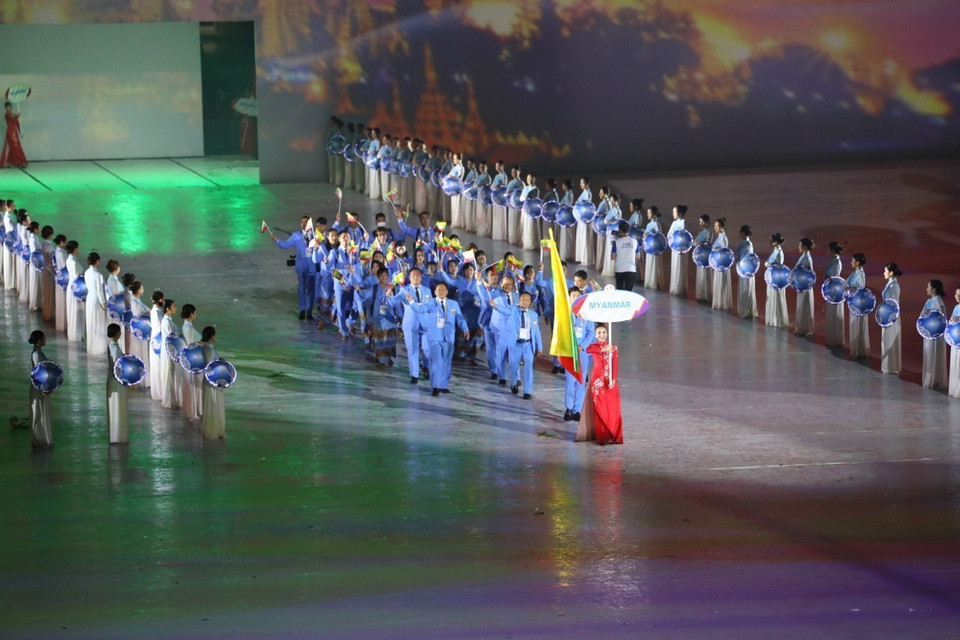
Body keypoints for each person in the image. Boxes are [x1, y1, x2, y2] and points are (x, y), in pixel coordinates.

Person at [411, 281, 470, 395]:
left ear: (447, 292)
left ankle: (443, 385)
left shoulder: (454, 304)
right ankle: (435, 386)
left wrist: (465, 329)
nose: (441, 292)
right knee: (437, 361)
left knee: (446, 362)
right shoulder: (430, 303)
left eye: (443, 290)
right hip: (434, 338)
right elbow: (419, 309)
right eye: (439, 290)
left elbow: (460, 318)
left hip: (449, 337)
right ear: (435, 292)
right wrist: (411, 301)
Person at [491, 290, 543, 399]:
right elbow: (504, 311)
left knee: (529, 367)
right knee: (513, 366)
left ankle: (527, 391)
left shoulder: (534, 315)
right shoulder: (513, 310)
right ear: (519, 301)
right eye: (523, 299)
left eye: (527, 300)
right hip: (516, 344)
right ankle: (514, 383)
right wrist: (495, 306)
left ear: (530, 302)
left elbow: (536, 331)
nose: (525, 301)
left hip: (528, 344)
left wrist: (540, 346)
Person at [583, 324, 622, 445]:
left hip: (610, 381)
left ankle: (613, 434)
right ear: (595, 335)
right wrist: (602, 349)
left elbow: (615, 364)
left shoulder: (613, 348)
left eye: (604, 332)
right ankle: (602, 435)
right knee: (600, 407)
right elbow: (588, 350)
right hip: (597, 381)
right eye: (599, 333)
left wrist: (614, 379)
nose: (602, 335)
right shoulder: (593, 347)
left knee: (612, 408)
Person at [271, 217, 315, 320]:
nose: (304, 224)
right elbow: (285, 245)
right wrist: (277, 240)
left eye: (306, 222)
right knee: (302, 287)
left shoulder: (315, 235)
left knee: (311, 289)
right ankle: (302, 309)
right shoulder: (296, 235)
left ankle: (309, 311)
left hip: (312, 265)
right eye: (302, 222)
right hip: (301, 265)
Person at [565, 287, 595, 423]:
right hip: (569, 353)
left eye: (578, 295)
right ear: (569, 298)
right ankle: (569, 408)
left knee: (581, 381)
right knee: (570, 381)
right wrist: (570, 347)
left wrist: (581, 346)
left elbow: (590, 333)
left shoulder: (586, 315)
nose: (576, 298)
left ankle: (577, 410)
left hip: (582, 353)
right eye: (573, 296)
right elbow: (561, 333)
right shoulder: (566, 314)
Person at [28, 330, 53, 448]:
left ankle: (42, 439)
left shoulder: (38, 352)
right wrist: (44, 388)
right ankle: (40, 440)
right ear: (39, 341)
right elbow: (40, 371)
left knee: (41, 411)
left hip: (40, 386)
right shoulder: (36, 354)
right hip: (38, 386)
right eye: (44, 338)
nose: (45, 340)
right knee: (38, 412)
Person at [200, 326, 226, 439]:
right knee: (214, 405)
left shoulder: (206, 348)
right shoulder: (209, 349)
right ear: (212, 336)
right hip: (212, 383)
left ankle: (213, 430)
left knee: (211, 405)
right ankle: (214, 431)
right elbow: (210, 366)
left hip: (209, 382)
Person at [921, 279, 947, 389]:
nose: (927, 289)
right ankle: (930, 378)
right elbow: (922, 315)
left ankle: (934, 379)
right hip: (928, 334)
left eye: (928, 287)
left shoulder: (938, 303)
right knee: (929, 354)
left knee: (934, 354)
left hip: (935, 335)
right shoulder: (929, 301)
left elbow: (941, 320)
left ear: (934, 289)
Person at [106, 323, 129, 444]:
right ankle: (118, 437)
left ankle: (117, 436)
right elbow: (117, 366)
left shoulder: (111, 346)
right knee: (118, 407)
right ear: (117, 333)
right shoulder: (114, 348)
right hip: (117, 381)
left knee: (116, 408)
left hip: (113, 381)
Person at [180, 304, 203, 419]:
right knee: (194, 385)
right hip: (193, 359)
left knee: (194, 386)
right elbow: (190, 345)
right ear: (191, 314)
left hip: (194, 358)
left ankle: (195, 409)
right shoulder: (188, 327)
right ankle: (193, 411)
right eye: (195, 313)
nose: (196, 315)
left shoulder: (188, 326)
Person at [845, 253, 870, 359]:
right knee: (854, 325)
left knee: (857, 325)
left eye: (853, 260)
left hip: (858, 304)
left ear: (858, 263)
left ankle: (859, 350)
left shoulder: (859, 275)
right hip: (853, 302)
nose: (851, 262)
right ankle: (855, 349)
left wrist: (849, 287)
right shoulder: (855, 273)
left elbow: (856, 288)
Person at [879, 263, 902, 375]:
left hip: (891, 317)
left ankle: (891, 366)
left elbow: (894, 304)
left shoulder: (894, 286)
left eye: (885, 271)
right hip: (887, 316)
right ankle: (887, 365)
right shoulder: (890, 283)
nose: (884, 273)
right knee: (886, 340)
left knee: (890, 339)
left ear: (891, 273)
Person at [128, 281, 151, 390]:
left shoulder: (137, 300)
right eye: (142, 288)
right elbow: (138, 315)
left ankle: (140, 378)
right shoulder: (135, 302)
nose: (143, 290)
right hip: (139, 331)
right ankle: (139, 379)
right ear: (138, 291)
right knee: (140, 353)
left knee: (141, 352)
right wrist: (147, 314)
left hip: (140, 330)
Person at [160, 299, 182, 409]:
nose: (175, 308)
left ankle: (172, 399)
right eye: (173, 306)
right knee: (169, 374)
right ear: (167, 309)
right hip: (169, 351)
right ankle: (168, 400)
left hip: (170, 350)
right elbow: (171, 338)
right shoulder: (166, 322)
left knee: (171, 374)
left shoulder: (168, 321)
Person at [84, 252, 108, 355]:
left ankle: (91, 346)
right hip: (97, 300)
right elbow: (100, 291)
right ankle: (99, 347)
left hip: (89, 298)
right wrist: (103, 303)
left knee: (91, 321)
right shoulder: (98, 275)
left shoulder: (86, 272)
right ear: (97, 261)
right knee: (98, 321)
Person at [764, 233, 789, 328]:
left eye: (772, 241)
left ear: (777, 242)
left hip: (776, 278)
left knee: (775, 297)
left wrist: (768, 264)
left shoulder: (778, 252)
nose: (770, 242)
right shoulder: (775, 251)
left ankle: (776, 318)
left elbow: (775, 264)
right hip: (773, 277)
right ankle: (773, 317)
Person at [824, 242, 845, 347]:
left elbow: (834, 276)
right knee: (831, 312)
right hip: (831, 288)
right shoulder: (834, 261)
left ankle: (834, 338)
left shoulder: (836, 263)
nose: (827, 251)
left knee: (833, 313)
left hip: (834, 290)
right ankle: (832, 337)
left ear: (832, 251)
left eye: (829, 249)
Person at [794, 238, 815, 336]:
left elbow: (808, 272)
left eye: (800, 245)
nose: (798, 247)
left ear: (805, 247)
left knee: (803, 306)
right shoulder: (805, 256)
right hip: (802, 284)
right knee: (803, 306)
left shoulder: (806, 257)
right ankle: (802, 327)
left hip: (804, 286)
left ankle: (803, 328)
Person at [736, 225, 758, 319]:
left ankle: (747, 310)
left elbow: (748, 257)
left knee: (746, 289)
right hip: (742, 268)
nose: (739, 234)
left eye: (740, 232)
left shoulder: (748, 244)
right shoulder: (743, 243)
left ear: (744, 233)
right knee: (743, 288)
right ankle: (744, 309)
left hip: (747, 270)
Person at [65, 241, 84, 342]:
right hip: (76, 288)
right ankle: (77, 335)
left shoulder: (69, 259)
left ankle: (73, 334)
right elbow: (77, 275)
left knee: (72, 310)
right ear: (75, 249)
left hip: (70, 286)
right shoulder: (73, 262)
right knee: (76, 311)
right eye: (78, 248)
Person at [711, 217, 732, 310]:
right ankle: (720, 302)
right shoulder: (720, 237)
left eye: (717, 226)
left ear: (722, 227)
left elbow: (724, 252)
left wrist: (716, 250)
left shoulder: (723, 238)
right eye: (715, 226)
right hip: (718, 264)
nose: (715, 228)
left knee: (721, 283)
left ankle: (722, 303)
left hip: (721, 264)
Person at [612, 221, 639, 291]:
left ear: (619, 230)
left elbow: (613, 257)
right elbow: (638, 256)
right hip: (631, 269)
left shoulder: (616, 242)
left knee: (620, 292)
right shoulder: (635, 241)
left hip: (619, 270)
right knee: (628, 292)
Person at [1, 102, 28, 169]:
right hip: (10, 133)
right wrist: (17, 116)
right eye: (8, 107)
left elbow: (17, 123)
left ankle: (9, 162)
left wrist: (20, 132)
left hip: (14, 133)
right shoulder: (7, 115)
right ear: (5, 108)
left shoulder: (12, 114)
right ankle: (20, 162)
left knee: (11, 148)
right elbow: (12, 118)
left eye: (10, 106)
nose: (9, 108)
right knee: (16, 147)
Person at [668, 205, 688, 296]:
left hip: (680, 248)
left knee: (679, 266)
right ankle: (675, 287)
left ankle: (679, 288)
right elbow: (669, 234)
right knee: (675, 265)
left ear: (679, 213)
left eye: (674, 212)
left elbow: (682, 234)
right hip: (674, 247)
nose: (673, 214)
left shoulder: (683, 222)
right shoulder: (674, 223)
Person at [574, 176, 594, 265]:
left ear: (586, 184)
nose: (580, 184)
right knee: (582, 237)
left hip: (585, 218)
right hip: (581, 219)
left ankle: (586, 259)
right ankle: (582, 258)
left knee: (585, 237)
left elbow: (586, 205)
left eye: (582, 183)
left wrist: (578, 203)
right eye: (580, 183)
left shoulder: (588, 193)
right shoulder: (584, 192)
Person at [149, 290, 165, 400]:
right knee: (158, 365)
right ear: (160, 300)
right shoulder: (157, 312)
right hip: (158, 340)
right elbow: (160, 328)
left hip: (155, 339)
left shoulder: (155, 311)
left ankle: (158, 391)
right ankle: (160, 392)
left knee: (156, 365)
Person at [694, 214, 713, 302]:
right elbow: (695, 242)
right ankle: (701, 295)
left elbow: (709, 242)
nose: (700, 223)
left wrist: (702, 243)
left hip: (706, 256)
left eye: (701, 221)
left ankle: (707, 295)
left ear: (706, 223)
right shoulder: (700, 233)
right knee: (701, 275)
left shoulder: (710, 232)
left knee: (706, 275)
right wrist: (698, 243)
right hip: (700, 256)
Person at [52, 234, 68, 332]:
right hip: (63, 278)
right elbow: (64, 266)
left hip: (59, 277)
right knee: (62, 300)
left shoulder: (57, 251)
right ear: (62, 242)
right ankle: (63, 322)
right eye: (65, 242)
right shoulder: (61, 253)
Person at [949, 287, 960, 399]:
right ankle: (955, 387)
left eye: (959, 294)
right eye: (956, 294)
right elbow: (951, 320)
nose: (957, 296)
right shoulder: (956, 307)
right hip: (955, 339)